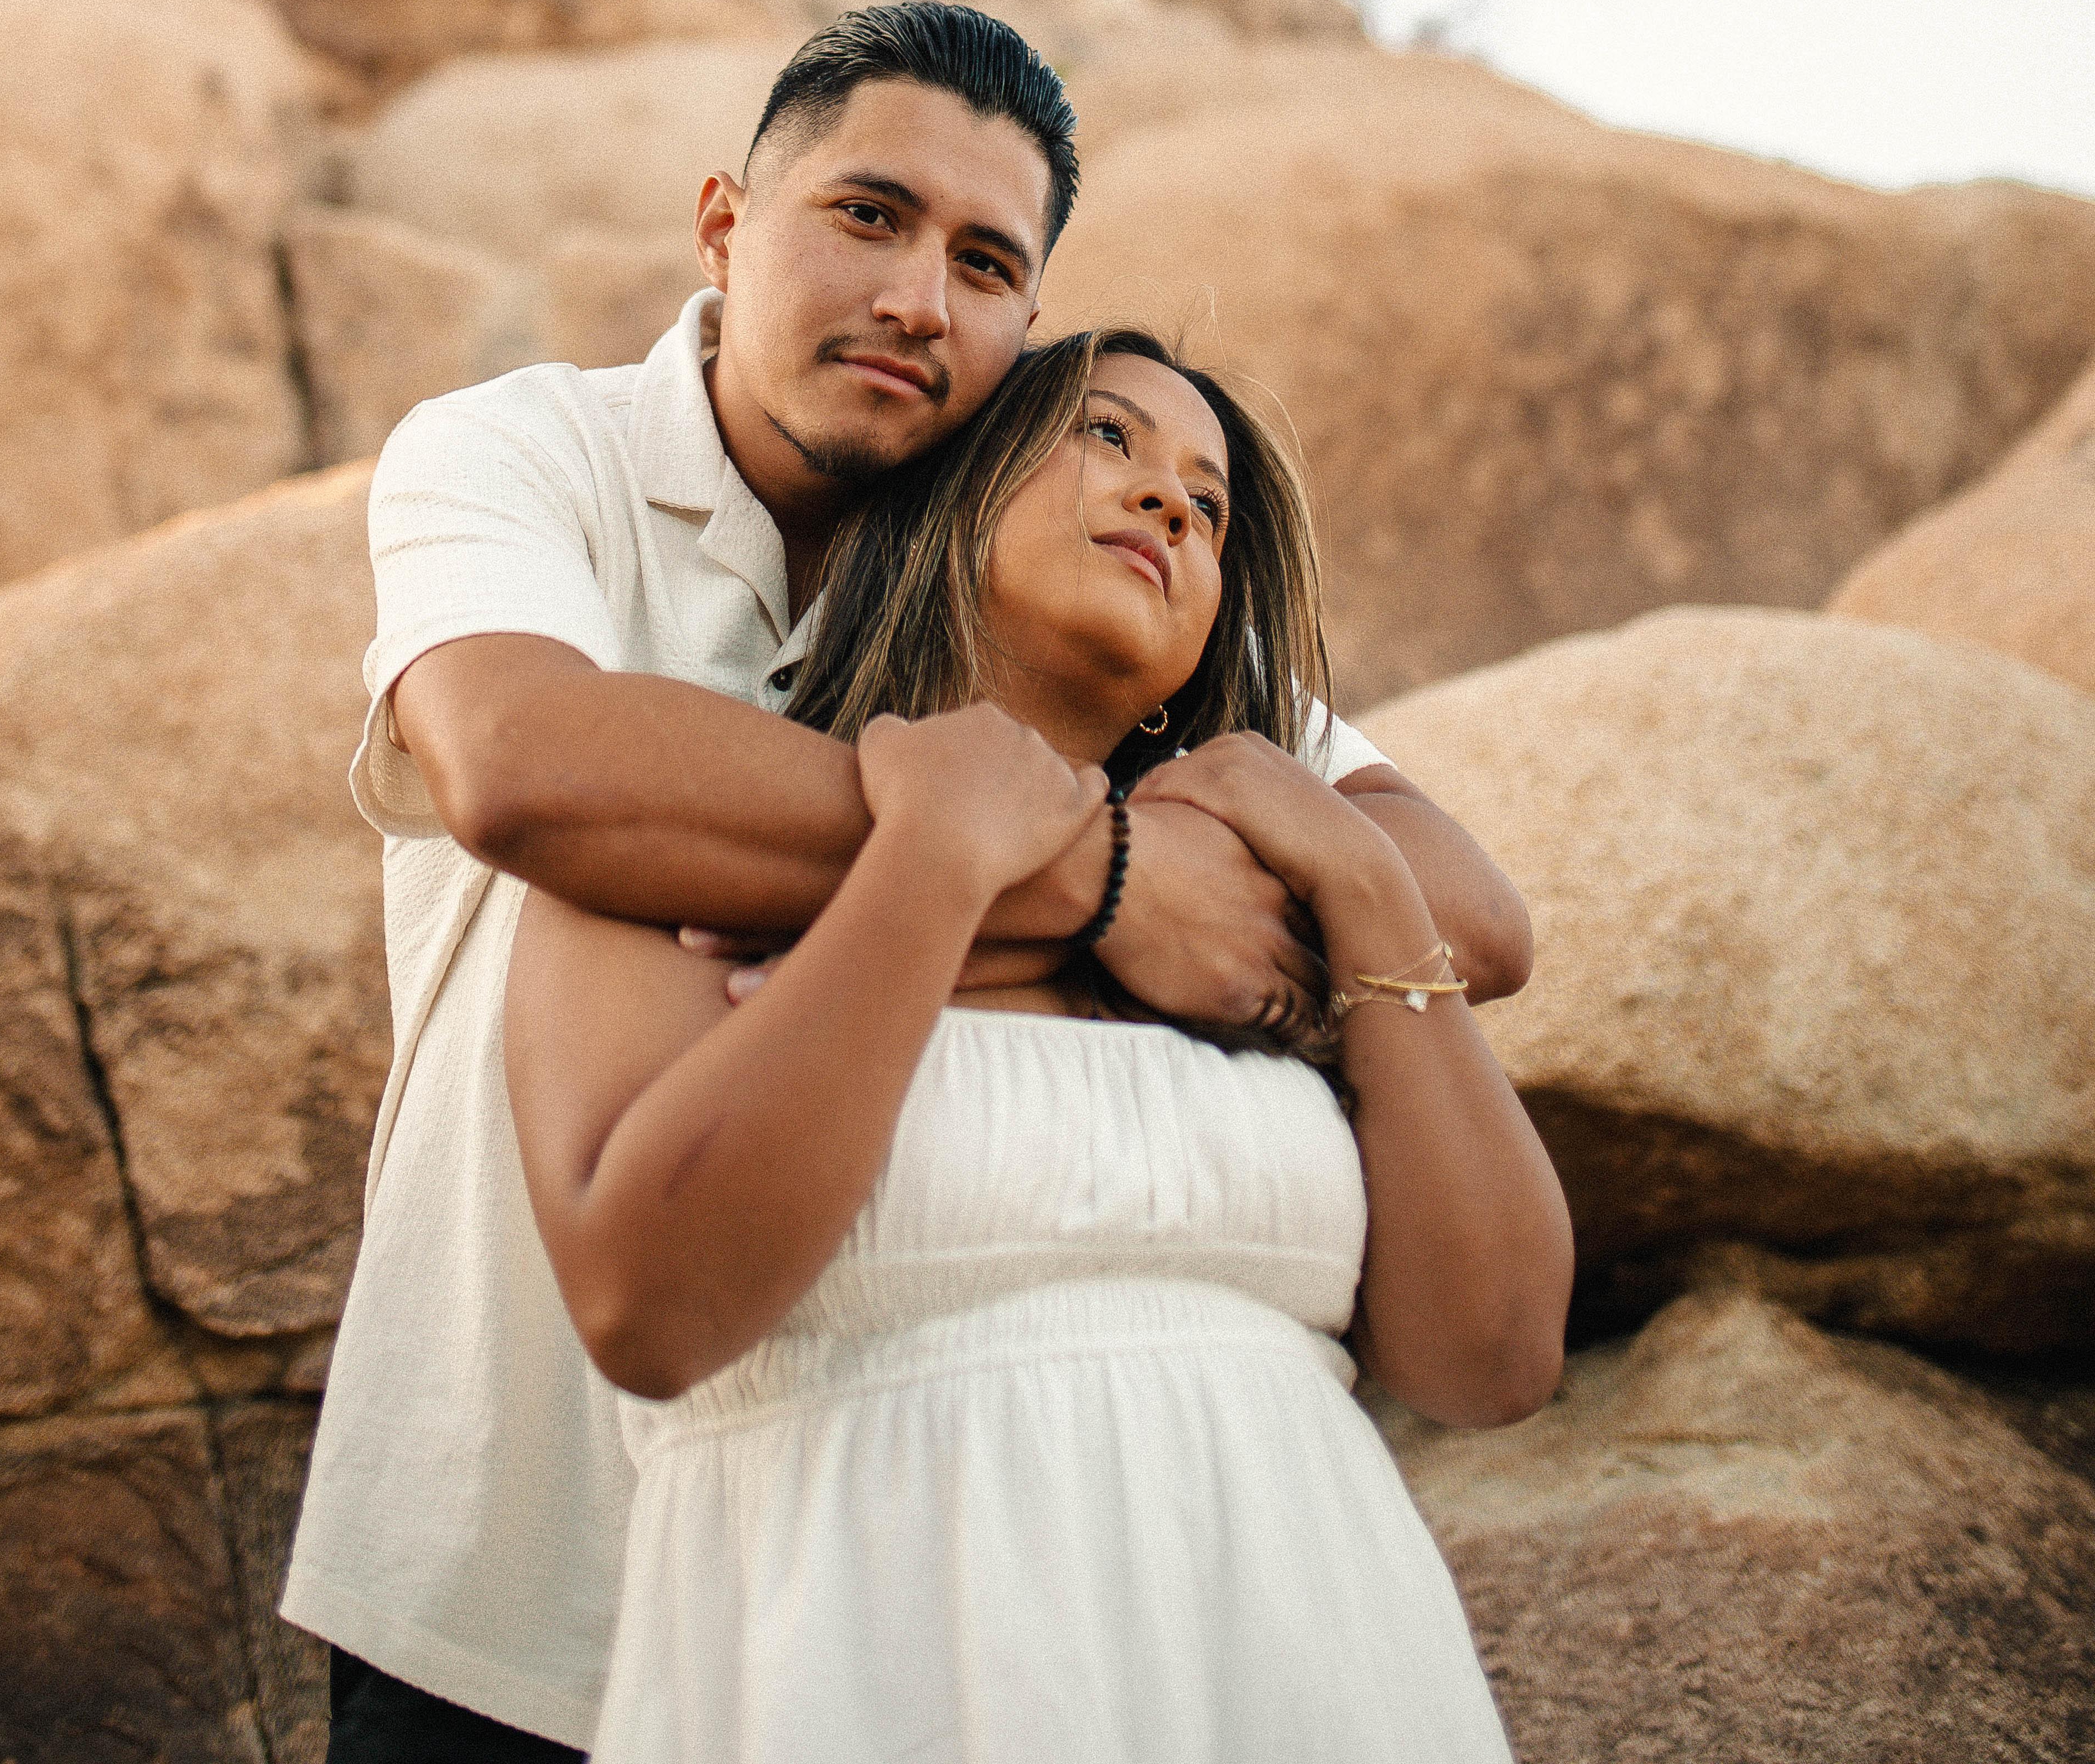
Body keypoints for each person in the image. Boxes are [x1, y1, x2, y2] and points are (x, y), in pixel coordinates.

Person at [281, 3, 1535, 1759]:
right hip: (511, 1554)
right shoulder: (531, 453)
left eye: (985, 263)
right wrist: (1101, 874)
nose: (918, 300)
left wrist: (1149, 850)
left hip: (932, 1578)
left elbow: (1462, 910)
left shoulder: (1042, 522)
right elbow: (523, 768)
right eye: (867, 216)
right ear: (725, 227)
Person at [505, 329, 1572, 1761]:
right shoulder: (684, 852)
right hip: (876, 1675)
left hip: (1313, 1669)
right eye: (1108, 436)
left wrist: (1365, 881)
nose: (1171, 502)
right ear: (950, 495)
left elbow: (1492, 1358)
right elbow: (650, 1310)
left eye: (1211, 507)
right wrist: (936, 862)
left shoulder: (1270, 926)